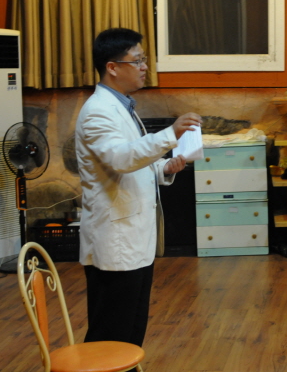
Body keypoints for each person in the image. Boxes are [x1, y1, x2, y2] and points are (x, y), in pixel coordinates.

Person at [75, 28, 202, 350]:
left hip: (133, 240)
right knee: (110, 333)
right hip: (115, 242)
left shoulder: (122, 106)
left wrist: (163, 168)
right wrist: (170, 134)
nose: (144, 67)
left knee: (131, 329)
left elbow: (130, 161)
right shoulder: (97, 111)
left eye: (144, 59)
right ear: (112, 67)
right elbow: (120, 159)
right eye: (137, 61)